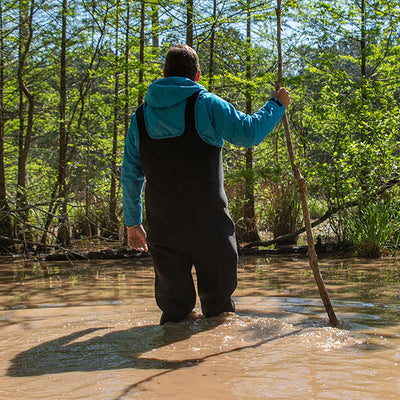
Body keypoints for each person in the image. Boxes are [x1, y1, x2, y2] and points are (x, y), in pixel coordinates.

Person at [122, 44, 290, 324]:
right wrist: (276, 105)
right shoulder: (207, 103)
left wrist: (132, 223)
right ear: (197, 76)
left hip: (163, 227)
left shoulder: (140, 116)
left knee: (174, 314)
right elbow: (248, 134)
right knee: (219, 311)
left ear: (163, 74)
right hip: (210, 227)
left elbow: (131, 174)